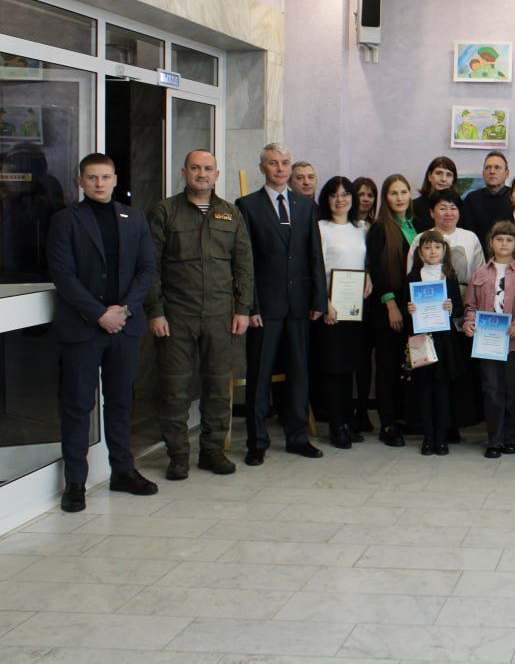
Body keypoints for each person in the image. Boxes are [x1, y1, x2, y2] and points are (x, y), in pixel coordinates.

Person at [48, 153, 158, 512]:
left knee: (122, 401)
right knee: (78, 405)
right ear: (80, 181)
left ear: (115, 180)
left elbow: (146, 269)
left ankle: (123, 471)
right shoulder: (65, 220)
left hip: (124, 326)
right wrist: (99, 314)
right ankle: (75, 483)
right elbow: (63, 275)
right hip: (83, 328)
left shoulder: (133, 217)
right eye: (92, 177)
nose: (99, 183)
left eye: (105, 177)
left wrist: (124, 310)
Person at [146, 149, 253, 478]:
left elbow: (244, 265)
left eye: (208, 168)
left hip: (220, 316)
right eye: (195, 168)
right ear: (184, 172)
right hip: (176, 316)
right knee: (174, 389)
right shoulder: (165, 211)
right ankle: (178, 455)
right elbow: (150, 266)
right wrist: (155, 311)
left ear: (216, 175)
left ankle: (212, 451)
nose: (202, 174)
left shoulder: (230, 213)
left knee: (218, 387)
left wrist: (243, 308)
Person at [236, 143, 327, 466]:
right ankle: (257, 442)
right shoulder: (247, 205)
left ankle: (297, 437)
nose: (280, 169)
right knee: (260, 375)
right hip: (265, 307)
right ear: (263, 167)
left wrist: (319, 298)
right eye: (273, 163)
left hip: (300, 304)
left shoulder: (305, 205)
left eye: (285, 163)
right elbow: (245, 261)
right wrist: (251, 306)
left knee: (299, 373)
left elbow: (314, 255)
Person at [312, 176, 369, 450]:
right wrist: (324, 303)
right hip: (331, 308)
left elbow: (364, 262)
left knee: (349, 367)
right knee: (333, 367)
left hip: (355, 307)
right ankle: (336, 426)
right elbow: (315, 268)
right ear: (327, 199)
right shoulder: (320, 228)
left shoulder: (361, 228)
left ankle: (347, 421)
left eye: (345, 194)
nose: (340, 199)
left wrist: (369, 276)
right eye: (334, 195)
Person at [464, 221, 515, 458]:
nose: (504, 244)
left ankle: (511, 438)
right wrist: (469, 323)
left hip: (514, 342)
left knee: (513, 391)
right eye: (499, 239)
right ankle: (494, 440)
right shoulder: (480, 273)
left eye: (509, 240)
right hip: (487, 343)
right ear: (491, 242)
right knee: (492, 391)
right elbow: (470, 306)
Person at [365, 174, 416, 447]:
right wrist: (391, 305)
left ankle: (402, 417)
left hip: (412, 305)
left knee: (405, 365)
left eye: (403, 192)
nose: (399, 198)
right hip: (389, 307)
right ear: (386, 198)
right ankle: (387, 424)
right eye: (393, 193)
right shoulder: (380, 228)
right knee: (386, 367)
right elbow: (377, 269)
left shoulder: (415, 225)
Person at [405, 230, 464, 456]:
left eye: (437, 247)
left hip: (444, 340)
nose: (432, 251)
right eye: (427, 247)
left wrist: (451, 308)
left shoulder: (449, 277)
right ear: (420, 252)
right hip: (421, 339)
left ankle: (441, 438)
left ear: (444, 251)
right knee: (424, 389)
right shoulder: (413, 277)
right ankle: (428, 438)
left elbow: (458, 308)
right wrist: (410, 309)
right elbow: (405, 306)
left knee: (441, 390)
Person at [349, 176, 379, 433]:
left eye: (370, 195)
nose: (366, 199)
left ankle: (362, 409)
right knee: (349, 353)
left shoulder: (376, 226)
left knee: (365, 357)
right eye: (361, 194)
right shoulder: (343, 224)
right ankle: (347, 409)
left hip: (370, 297)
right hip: (346, 295)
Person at [462, 151, 514, 256]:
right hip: (477, 257)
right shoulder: (471, 199)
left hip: (509, 258)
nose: (492, 171)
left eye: (497, 168)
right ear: (483, 173)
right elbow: (466, 233)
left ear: (507, 173)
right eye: (488, 168)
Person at [411, 156, 458, 232]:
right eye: (438, 173)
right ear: (429, 176)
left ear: (453, 180)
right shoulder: (413, 207)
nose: (443, 179)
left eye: (449, 175)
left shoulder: (460, 206)